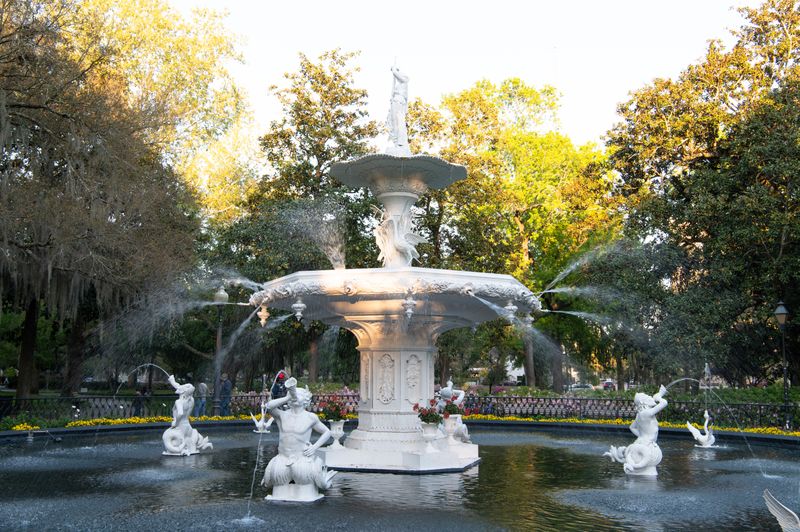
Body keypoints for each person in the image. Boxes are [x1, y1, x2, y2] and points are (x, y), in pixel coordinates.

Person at [261, 377, 336, 500]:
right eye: (293, 393)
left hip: (302, 461)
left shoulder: (310, 417)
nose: (295, 396)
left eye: (298, 394)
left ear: (305, 399)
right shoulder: (282, 415)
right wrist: (287, 397)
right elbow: (269, 406)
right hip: (282, 459)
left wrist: (315, 447)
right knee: (278, 495)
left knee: (305, 494)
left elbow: (327, 432)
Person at [386, 65, 410, 155]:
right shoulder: (399, 85)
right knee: (393, 122)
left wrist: (394, 70)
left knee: (399, 121)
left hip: (399, 101)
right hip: (395, 101)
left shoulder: (405, 82)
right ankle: (396, 143)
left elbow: (396, 74)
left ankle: (401, 143)